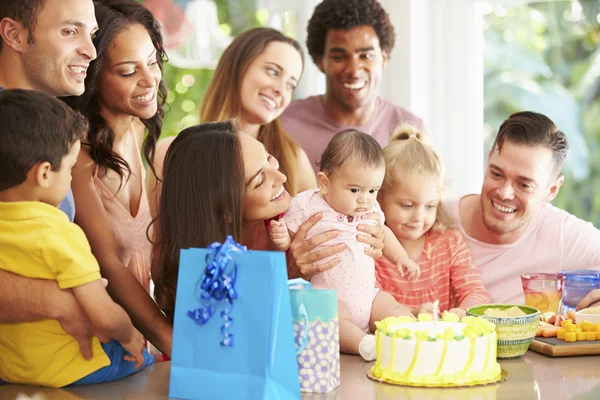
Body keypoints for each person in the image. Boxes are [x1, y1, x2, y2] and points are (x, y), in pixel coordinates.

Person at [152, 121, 386, 326]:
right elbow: (245, 336)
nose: (282, 177)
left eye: (268, 158)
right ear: (226, 210)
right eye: (260, 180)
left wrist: (373, 240)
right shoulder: (195, 266)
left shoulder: (296, 221)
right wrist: (292, 274)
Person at [0, 89, 152, 388]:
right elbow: (106, 318)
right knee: (144, 361)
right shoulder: (60, 233)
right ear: (44, 174)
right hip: (76, 370)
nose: (70, 179)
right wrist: (131, 336)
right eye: (69, 168)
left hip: (11, 372)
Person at [63, 0, 172, 356]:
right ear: (93, 78)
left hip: (149, 343)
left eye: (153, 62)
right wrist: (173, 343)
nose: (149, 80)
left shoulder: (139, 131)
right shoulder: (76, 156)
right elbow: (107, 260)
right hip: (105, 346)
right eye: (128, 71)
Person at [0, 0, 100, 361]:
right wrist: (62, 302)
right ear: (15, 34)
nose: (90, 50)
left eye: (92, 34)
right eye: (70, 31)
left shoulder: (57, 129)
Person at [269, 129, 418, 361]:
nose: (364, 199)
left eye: (372, 191)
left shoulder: (370, 210)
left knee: (391, 307)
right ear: (325, 183)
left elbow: (384, 232)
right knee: (332, 320)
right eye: (355, 190)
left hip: (368, 297)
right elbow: (290, 240)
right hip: (329, 296)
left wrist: (401, 258)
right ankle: (364, 344)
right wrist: (282, 239)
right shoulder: (307, 205)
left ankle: (414, 335)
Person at [149, 27, 316, 218]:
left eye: (290, 85)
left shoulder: (293, 158)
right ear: (237, 66)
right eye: (273, 72)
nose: (281, 90)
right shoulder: (169, 153)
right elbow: (162, 243)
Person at [446, 111, 600, 304]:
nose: (504, 193)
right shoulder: (431, 218)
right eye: (496, 174)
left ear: (551, 190)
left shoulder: (562, 234)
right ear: (487, 163)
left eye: (524, 185)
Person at [279, 0, 425, 172]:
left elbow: (436, 197)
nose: (354, 70)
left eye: (366, 55)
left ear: (384, 57)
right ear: (320, 61)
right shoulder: (284, 126)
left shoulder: (410, 131)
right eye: (339, 57)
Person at [375, 124, 491, 318]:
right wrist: (411, 314)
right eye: (407, 205)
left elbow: (477, 293)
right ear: (380, 199)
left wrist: (463, 312)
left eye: (429, 206)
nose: (419, 217)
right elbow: (365, 308)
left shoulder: (449, 244)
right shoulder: (372, 249)